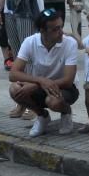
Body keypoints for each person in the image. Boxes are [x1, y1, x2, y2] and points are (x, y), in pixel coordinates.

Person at [9, 8, 79, 137]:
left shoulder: (70, 43)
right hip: (40, 86)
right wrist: (40, 81)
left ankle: (66, 111)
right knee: (15, 89)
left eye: (61, 27)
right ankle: (42, 116)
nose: (61, 32)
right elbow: (13, 74)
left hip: (64, 88)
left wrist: (37, 84)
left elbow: (68, 80)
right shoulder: (30, 42)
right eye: (55, 29)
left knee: (53, 101)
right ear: (42, 31)